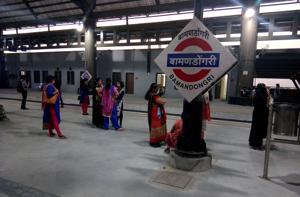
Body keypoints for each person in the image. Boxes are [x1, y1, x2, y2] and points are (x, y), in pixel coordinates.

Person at [249, 83, 270, 150]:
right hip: (261, 114)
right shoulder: (263, 95)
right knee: (259, 129)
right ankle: (257, 143)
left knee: (254, 128)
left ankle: (252, 142)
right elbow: (266, 104)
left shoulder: (257, 94)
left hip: (256, 114)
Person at [145, 83, 167, 147]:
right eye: (157, 88)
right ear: (153, 88)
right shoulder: (152, 95)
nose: (157, 89)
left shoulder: (153, 94)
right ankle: (154, 141)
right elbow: (162, 102)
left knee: (159, 126)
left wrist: (161, 88)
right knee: (156, 127)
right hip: (155, 114)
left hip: (156, 112)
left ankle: (159, 139)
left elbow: (162, 93)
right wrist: (163, 101)